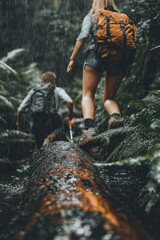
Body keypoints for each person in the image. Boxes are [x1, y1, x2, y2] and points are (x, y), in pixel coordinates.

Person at [67, 0, 129, 143]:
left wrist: (72, 59)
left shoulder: (93, 16)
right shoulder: (120, 18)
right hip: (118, 58)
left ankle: (90, 131)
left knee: (87, 95)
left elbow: (83, 36)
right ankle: (116, 121)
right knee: (109, 98)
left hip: (96, 55)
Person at [17, 71, 73, 149]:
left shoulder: (34, 91)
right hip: (52, 120)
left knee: (40, 145)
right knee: (60, 129)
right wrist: (71, 115)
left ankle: (44, 153)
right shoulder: (57, 90)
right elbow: (69, 102)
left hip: (37, 121)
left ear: (42, 81)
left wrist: (18, 123)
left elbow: (20, 109)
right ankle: (51, 137)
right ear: (54, 81)